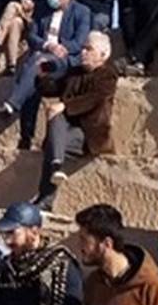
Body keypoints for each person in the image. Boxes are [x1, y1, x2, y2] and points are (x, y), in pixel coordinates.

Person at [0, 0, 93, 150]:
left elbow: (80, 41)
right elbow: (32, 36)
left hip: (64, 63)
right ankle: (26, 136)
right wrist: (48, 46)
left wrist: (62, 47)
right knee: (33, 77)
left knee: (33, 65)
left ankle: (12, 104)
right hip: (43, 60)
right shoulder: (42, 9)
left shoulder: (82, 12)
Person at [32, 32, 118, 210]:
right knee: (56, 123)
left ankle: (46, 197)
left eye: (89, 49)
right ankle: (57, 164)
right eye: (83, 48)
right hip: (65, 130)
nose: (83, 52)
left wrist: (65, 105)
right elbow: (53, 88)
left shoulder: (108, 75)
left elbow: (95, 98)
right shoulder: (75, 73)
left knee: (53, 140)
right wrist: (42, 76)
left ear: (103, 54)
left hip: (90, 133)